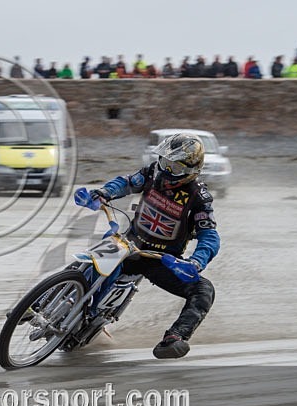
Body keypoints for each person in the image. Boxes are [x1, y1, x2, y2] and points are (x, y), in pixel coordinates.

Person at [87, 133, 219, 359]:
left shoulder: (199, 198)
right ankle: (44, 301)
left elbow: (210, 236)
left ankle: (175, 337)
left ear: (191, 170)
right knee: (91, 259)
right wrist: (105, 193)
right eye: (164, 162)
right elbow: (127, 183)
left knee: (204, 290)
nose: (166, 171)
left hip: (160, 260)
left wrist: (196, 262)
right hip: (128, 243)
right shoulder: (152, 172)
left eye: (174, 168)